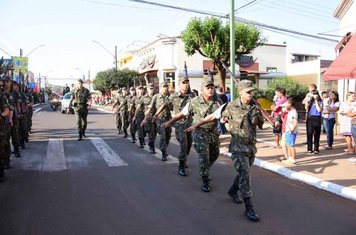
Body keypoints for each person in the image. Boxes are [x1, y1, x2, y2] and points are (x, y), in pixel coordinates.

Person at [185, 80, 272, 222]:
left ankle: (233, 190)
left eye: (252, 92)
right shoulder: (230, 106)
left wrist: (275, 124)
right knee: (244, 173)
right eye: (248, 91)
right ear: (240, 92)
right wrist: (196, 125)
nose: (251, 94)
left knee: (245, 172)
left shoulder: (256, 107)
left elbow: (262, 125)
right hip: (238, 147)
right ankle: (249, 207)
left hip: (251, 147)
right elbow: (212, 116)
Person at [163, 77, 220, 192]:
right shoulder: (194, 102)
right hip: (200, 133)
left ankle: (205, 169)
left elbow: (222, 115)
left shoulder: (218, 102)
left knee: (215, 154)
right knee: (202, 156)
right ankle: (204, 179)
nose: (210, 90)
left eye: (212, 87)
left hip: (213, 134)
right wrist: (170, 122)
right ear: (202, 89)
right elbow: (182, 114)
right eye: (207, 88)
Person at [156, 77, 195, 176]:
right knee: (183, 144)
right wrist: (156, 115)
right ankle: (181, 167)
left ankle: (184, 158)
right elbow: (164, 105)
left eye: (187, 82)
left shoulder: (192, 95)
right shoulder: (174, 96)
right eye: (183, 83)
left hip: (190, 124)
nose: (186, 84)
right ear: (179, 84)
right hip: (179, 125)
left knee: (189, 144)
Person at [142, 81, 171, 161]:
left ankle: (164, 147)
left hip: (168, 120)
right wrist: (145, 118)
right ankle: (163, 152)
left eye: (166, 87)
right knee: (163, 135)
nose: (165, 88)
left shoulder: (170, 96)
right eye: (164, 87)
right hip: (159, 120)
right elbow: (150, 108)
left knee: (168, 136)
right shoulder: (156, 97)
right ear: (160, 88)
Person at [139, 83, 157, 153]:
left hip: (156, 118)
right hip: (148, 118)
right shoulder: (143, 98)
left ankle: (150, 142)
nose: (151, 90)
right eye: (150, 88)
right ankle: (152, 147)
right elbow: (138, 108)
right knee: (151, 133)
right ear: (147, 89)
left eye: (153, 88)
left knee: (154, 133)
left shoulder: (156, 97)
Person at [282, 98, 299, 166]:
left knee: (291, 145)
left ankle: (293, 159)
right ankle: (290, 158)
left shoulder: (293, 112)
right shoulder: (290, 111)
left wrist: (292, 130)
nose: (285, 104)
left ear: (290, 104)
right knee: (288, 144)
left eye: (286, 103)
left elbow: (295, 122)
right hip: (288, 130)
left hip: (291, 131)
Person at [0, 80, 11, 181]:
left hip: (1, 127)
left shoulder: (1, 96)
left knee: (1, 148)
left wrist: (1, 115)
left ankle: (1, 170)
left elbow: (6, 110)